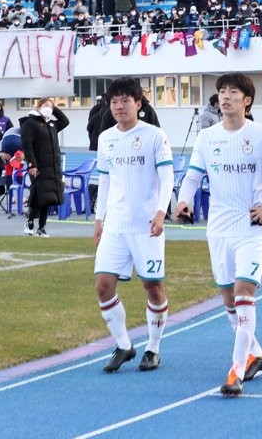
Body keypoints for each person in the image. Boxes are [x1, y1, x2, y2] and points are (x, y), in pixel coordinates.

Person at [176, 72, 262, 396]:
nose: (225, 96)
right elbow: (192, 177)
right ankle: (255, 353)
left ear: (247, 100)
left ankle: (235, 371)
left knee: (245, 291)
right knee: (229, 300)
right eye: (222, 91)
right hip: (218, 229)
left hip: (251, 228)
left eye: (233, 91)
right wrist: (182, 201)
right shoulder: (207, 138)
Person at [93, 78, 175, 373]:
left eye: (125, 100)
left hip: (145, 226)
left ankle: (153, 347)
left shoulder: (154, 136)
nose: (119, 106)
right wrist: (99, 219)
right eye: (114, 101)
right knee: (103, 287)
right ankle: (124, 345)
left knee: (152, 287)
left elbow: (167, 177)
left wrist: (160, 212)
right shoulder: (106, 139)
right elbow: (104, 180)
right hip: (115, 225)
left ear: (138, 104)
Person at [21, 98, 70, 237]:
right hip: (38, 167)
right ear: (38, 107)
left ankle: (41, 227)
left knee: (48, 198)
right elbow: (27, 145)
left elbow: (65, 121)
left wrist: (54, 109)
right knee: (37, 195)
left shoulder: (52, 124)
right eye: (45, 105)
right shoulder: (30, 123)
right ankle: (30, 221)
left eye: (50, 106)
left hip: (52, 167)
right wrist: (32, 164)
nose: (48, 107)